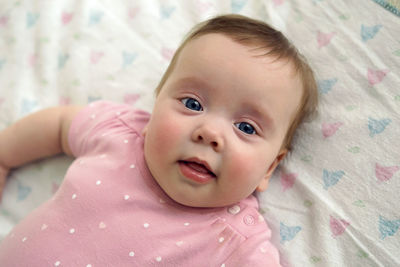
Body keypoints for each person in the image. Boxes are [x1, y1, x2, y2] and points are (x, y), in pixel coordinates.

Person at [0, 14, 318, 266]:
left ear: (269, 168)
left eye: (246, 128)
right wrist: (4, 155)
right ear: (156, 106)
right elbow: (58, 126)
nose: (209, 133)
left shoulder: (237, 245)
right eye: (192, 104)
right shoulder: (121, 133)